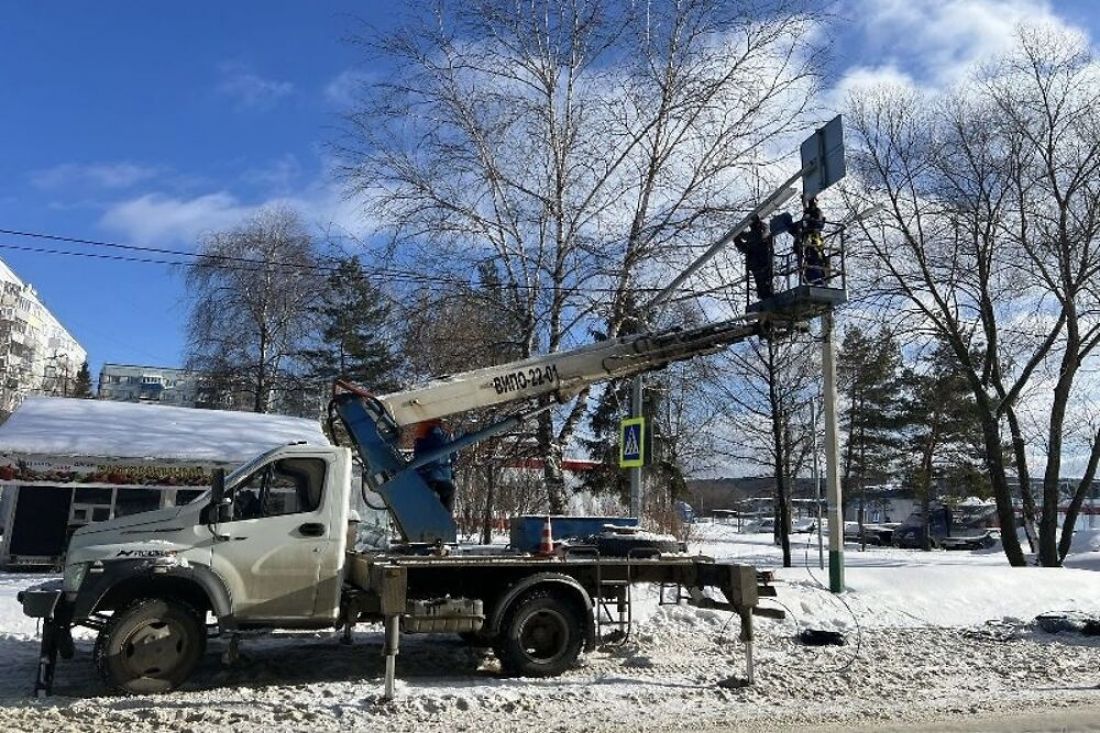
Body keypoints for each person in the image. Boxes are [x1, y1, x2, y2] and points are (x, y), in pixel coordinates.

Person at [412, 419, 456, 514]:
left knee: (425, 503)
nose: (417, 429)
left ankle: (426, 519)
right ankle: (445, 521)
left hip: (428, 476)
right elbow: (453, 456)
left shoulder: (425, 439)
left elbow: (419, 456)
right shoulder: (445, 438)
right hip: (444, 477)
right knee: (447, 498)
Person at [734, 214, 774, 300]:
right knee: (764, 281)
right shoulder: (760, 236)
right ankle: (765, 294)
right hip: (761, 263)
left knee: (761, 281)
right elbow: (766, 230)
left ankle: (764, 294)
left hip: (757, 264)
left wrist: (736, 236)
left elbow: (742, 245)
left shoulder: (753, 237)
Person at [799, 197, 827, 284]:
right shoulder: (808, 213)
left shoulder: (817, 212)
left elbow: (818, 224)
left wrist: (809, 221)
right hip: (808, 240)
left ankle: (817, 280)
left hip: (814, 240)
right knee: (809, 258)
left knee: (815, 258)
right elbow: (803, 226)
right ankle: (811, 278)